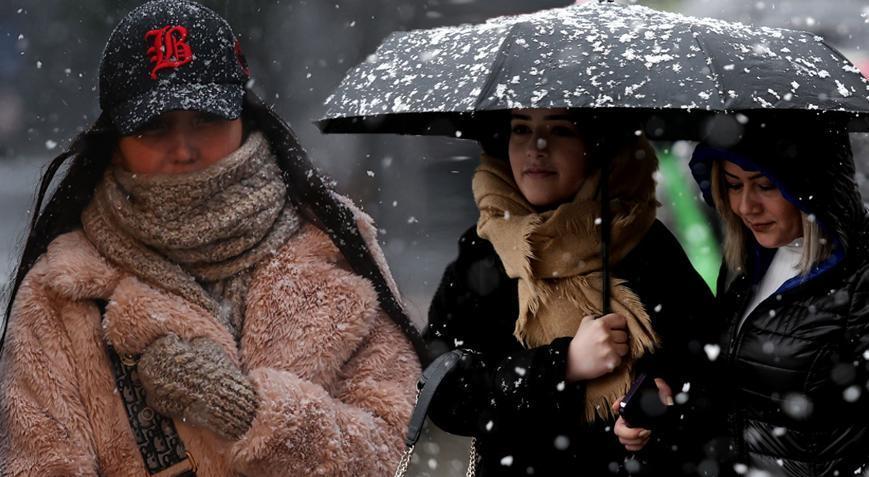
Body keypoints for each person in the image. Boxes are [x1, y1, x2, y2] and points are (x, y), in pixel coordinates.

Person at [0, 1, 423, 476]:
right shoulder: (61, 293)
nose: (183, 148)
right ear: (114, 139)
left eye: (205, 118)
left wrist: (247, 413)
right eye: (154, 126)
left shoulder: (337, 245)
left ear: (244, 117)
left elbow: (395, 453)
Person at [424, 108, 721, 476]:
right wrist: (563, 364)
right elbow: (444, 391)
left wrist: (659, 408)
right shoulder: (483, 252)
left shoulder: (645, 246)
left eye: (560, 130)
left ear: (596, 145)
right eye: (521, 129)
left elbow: (708, 372)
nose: (536, 147)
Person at [689, 119, 869, 477]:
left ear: (810, 185)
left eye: (766, 185)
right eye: (732, 184)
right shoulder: (746, 263)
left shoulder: (860, 277)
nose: (744, 206)